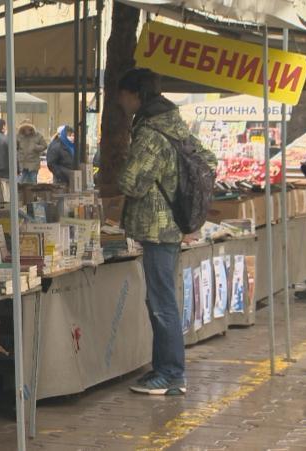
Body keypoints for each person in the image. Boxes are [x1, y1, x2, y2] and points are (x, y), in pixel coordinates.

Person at [117, 68, 216, 396]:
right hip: (171, 226)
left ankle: (172, 373)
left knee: (161, 303)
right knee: (160, 298)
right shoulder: (175, 126)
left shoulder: (151, 132)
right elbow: (209, 159)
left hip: (158, 227)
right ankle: (163, 369)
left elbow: (132, 182)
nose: (121, 102)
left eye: (123, 95)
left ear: (136, 95)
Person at [17, 119, 47, 184]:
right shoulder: (19, 136)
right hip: (22, 164)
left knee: (33, 184)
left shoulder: (38, 135)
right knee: (20, 184)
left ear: (31, 127)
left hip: (33, 165)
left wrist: (36, 147)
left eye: (28, 127)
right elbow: (15, 148)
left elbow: (44, 145)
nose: (26, 129)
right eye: (24, 128)